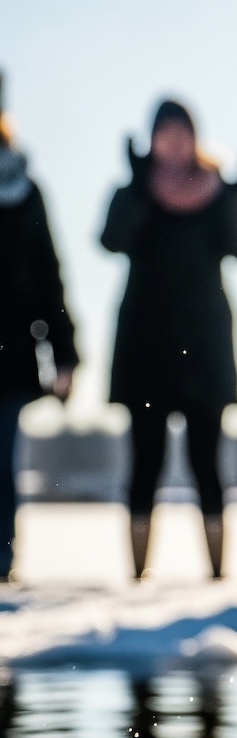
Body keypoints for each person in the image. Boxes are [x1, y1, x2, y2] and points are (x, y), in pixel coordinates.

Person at [100, 101, 237, 581]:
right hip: (146, 346)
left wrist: (231, 196)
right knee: (145, 462)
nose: (172, 142)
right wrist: (139, 187)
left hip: (204, 348)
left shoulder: (216, 192)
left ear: (195, 138)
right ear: (151, 140)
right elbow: (111, 240)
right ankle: (138, 576)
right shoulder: (132, 192)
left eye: (180, 132)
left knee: (206, 464)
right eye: (163, 133)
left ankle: (216, 576)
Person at [0, 72, 79, 580]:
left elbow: (49, 277)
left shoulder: (25, 190)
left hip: (6, 353)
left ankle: (2, 562)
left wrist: (66, 354)